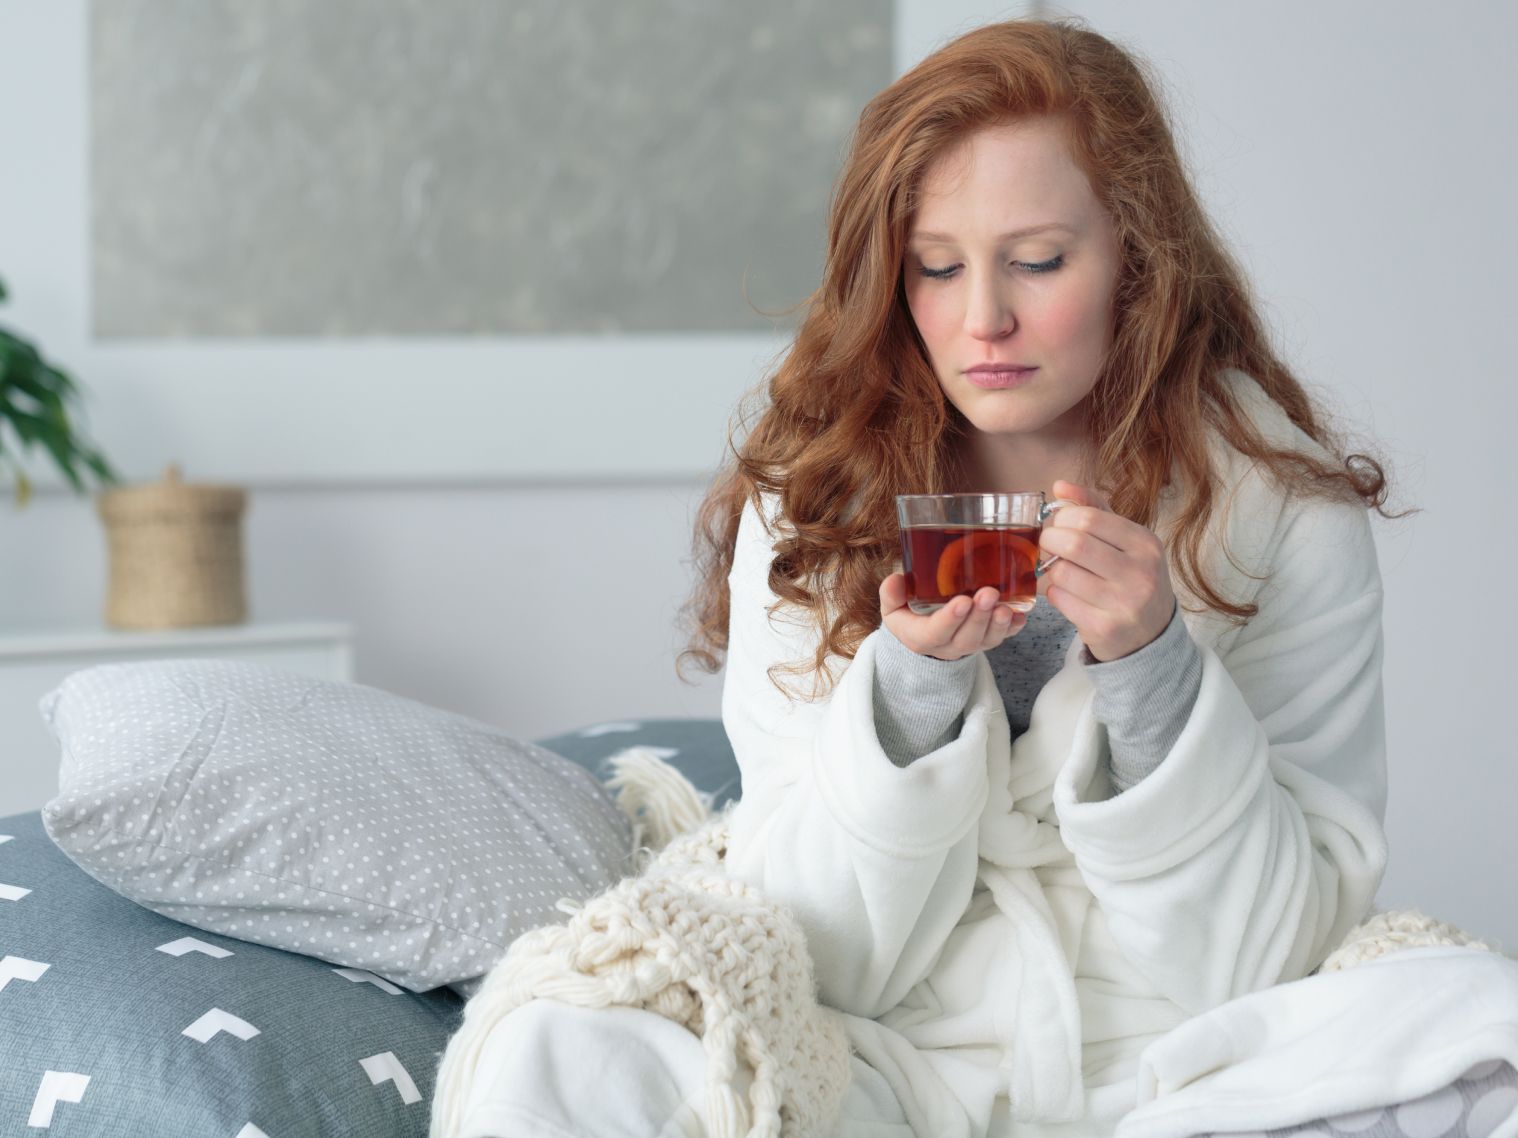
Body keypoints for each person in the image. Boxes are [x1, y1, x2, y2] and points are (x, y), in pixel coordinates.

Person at [442, 18, 1518, 1138]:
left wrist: (1156, 676)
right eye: (938, 268)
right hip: (889, 1068)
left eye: (1039, 261)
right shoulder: (815, 498)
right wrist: (904, 705)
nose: (982, 319)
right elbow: (822, 954)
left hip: (1190, 1074)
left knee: (1484, 1020)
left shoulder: (1278, 507)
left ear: (1137, 259)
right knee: (562, 1046)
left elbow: (1271, 957)